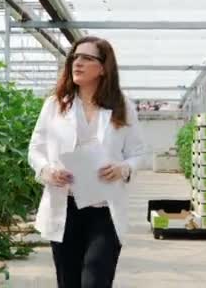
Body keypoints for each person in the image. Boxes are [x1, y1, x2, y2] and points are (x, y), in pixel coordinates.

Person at [27, 36, 145, 288]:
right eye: (75, 57)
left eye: (87, 58)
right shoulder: (55, 105)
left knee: (95, 281)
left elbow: (137, 152)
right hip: (65, 207)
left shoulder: (122, 107)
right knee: (68, 282)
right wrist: (47, 170)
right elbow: (35, 149)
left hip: (105, 210)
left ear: (103, 68)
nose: (77, 63)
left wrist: (123, 168)